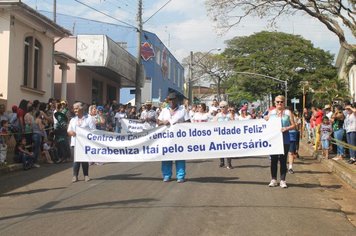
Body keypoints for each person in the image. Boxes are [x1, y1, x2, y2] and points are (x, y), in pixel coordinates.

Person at [157, 92, 189, 183]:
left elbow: (189, 123)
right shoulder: (164, 110)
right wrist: (164, 122)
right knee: (166, 157)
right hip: (166, 138)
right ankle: (167, 175)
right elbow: (158, 122)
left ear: (177, 100)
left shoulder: (182, 110)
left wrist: (180, 125)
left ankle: (180, 176)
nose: (171, 101)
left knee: (180, 157)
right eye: (170, 100)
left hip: (179, 138)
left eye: (173, 99)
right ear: (168, 101)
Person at [265, 95, 296, 188]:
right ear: (274, 102)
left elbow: (294, 125)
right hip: (274, 140)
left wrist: (286, 128)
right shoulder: (271, 112)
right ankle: (273, 179)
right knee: (273, 160)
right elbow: (265, 124)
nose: (279, 103)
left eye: (281, 102)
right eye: (277, 102)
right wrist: (265, 119)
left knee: (283, 160)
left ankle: (283, 180)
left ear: (284, 102)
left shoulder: (288, 112)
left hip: (285, 139)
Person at [67, 102, 96, 183]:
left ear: (81, 108)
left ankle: (86, 175)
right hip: (75, 143)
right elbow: (69, 130)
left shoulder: (89, 118)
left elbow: (93, 130)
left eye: (76, 108)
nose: (75, 110)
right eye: (74, 108)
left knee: (84, 159)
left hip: (85, 143)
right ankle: (75, 176)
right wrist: (71, 133)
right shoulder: (73, 120)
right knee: (76, 160)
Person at [213, 101, 233, 169]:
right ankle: (222, 162)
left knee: (229, 148)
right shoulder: (218, 115)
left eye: (223, 107)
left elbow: (234, 123)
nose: (222, 108)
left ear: (227, 107)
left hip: (228, 135)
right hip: (220, 135)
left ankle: (229, 163)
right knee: (221, 148)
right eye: (220, 107)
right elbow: (213, 123)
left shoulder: (230, 115)